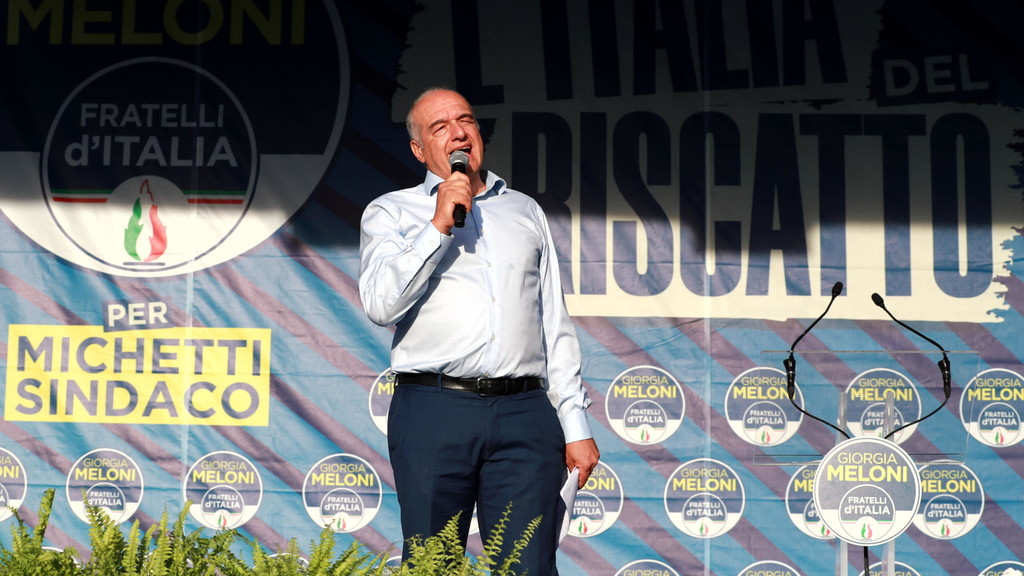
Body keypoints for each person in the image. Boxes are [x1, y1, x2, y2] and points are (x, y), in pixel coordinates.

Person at [358, 87, 600, 575]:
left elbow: (553, 321)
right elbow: (381, 305)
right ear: (418, 150)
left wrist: (575, 423)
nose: (458, 133)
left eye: (465, 120)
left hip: (525, 413)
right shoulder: (391, 211)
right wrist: (437, 225)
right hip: (434, 409)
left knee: (528, 565)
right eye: (439, 127)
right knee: (433, 565)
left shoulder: (524, 210)